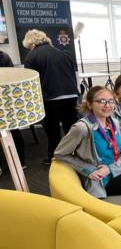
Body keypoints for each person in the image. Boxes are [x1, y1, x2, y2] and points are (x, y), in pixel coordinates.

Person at [22, 29, 79, 165]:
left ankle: (55, 159)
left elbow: (31, 83)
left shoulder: (31, 56)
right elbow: (73, 74)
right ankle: (79, 156)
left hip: (51, 97)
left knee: (53, 130)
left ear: (30, 42)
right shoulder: (64, 53)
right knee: (73, 129)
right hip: (71, 94)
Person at [0, 50, 25, 168]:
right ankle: (20, 162)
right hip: (8, 100)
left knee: (12, 132)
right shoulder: (4, 56)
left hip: (5, 100)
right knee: (14, 130)